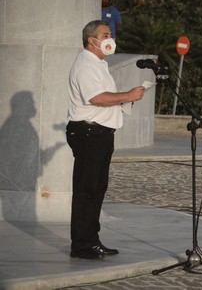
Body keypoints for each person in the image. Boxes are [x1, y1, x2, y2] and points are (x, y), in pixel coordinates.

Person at [66, 20, 145, 260]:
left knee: (96, 190)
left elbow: (105, 98)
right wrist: (127, 95)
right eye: (105, 34)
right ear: (92, 40)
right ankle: (81, 245)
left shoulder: (99, 64)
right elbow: (96, 98)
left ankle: (92, 240)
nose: (110, 38)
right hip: (89, 133)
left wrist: (125, 100)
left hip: (100, 134)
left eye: (110, 34)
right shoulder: (86, 65)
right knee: (86, 190)